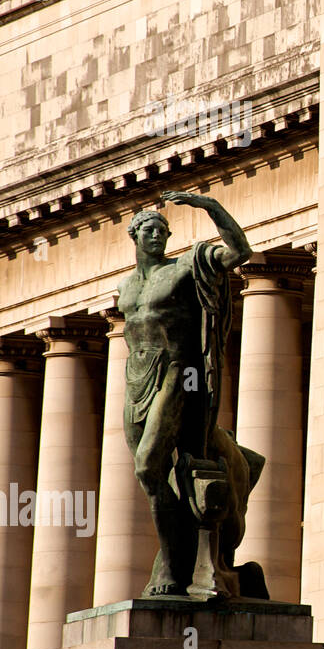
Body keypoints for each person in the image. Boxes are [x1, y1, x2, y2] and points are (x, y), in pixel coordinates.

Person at [117, 190, 264, 597]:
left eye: (162, 231)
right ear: (134, 236)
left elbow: (239, 252)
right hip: (137, 378)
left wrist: (210, 207)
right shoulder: (126, 288)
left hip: (179, 374)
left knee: (148, 465)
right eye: (148, 230)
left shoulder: (181, 268)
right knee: (150, 476)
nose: (156, 237)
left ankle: (169, 563)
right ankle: (176, 557)